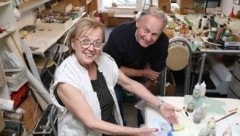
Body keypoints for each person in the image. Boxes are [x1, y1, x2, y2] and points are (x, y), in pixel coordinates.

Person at [50, 17, 179, 136]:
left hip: (109, 128)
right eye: (85, 41)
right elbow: (91, 123)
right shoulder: (66, 78)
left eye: (97, 43)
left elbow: (129, 84)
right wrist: (134, 132)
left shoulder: (104, 60)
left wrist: (160, 104)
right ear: (73, 43)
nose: (91, 48)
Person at [103, 7, 169, 126]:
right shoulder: (119, 35)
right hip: (116, 73)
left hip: (140, 71)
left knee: (144, 101)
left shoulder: (163, 42)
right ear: (137, 22)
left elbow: (154, 73)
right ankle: (120, 127)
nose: (148, 38)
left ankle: (144, 127)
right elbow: (112, 69)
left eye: (155, 34)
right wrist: (143, 73)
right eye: (145, 30)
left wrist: (142, 90)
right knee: (115, 99)